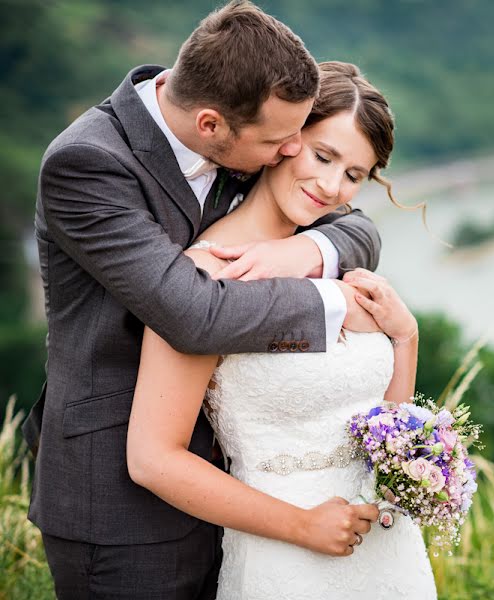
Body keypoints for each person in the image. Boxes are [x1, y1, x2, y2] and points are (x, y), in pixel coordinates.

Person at [26, 2, 382, 598]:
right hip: (120, 500)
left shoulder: (247, 131)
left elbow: (357, 224)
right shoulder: (87, 165)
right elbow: (194, 314)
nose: (291, 152)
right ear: (212, 125)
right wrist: (335, 303)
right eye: (281, 142)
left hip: (236, 483)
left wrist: (313, 250)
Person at [127, 61, 438, 599]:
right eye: (324, 156)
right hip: (285, 555)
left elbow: (381, 432)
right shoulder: (203, 277)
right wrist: (301, 525)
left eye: (353, 175)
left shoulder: (335, 259)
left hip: (387, 555)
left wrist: (405, 339)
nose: (330, 186)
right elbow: (154, 459)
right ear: (285, 140)